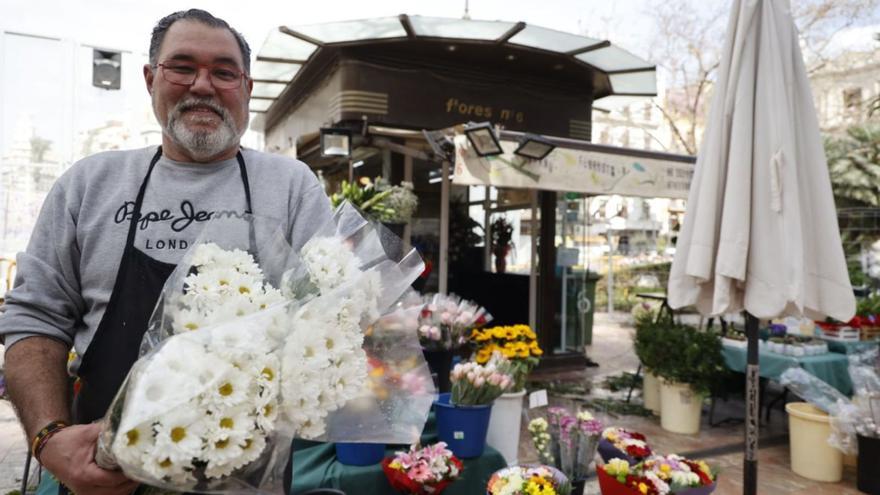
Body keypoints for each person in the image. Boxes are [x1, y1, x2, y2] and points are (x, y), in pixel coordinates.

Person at [0, 9, 332, 494]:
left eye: (223, 71)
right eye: (182, 67)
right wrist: (50, 438)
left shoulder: (291, 187)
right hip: (102, 475)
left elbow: (332, 321)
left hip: (244, 478)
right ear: (151, 77)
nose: (203, 85)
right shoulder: (89, 184)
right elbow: (36, 320)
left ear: (246, 87)